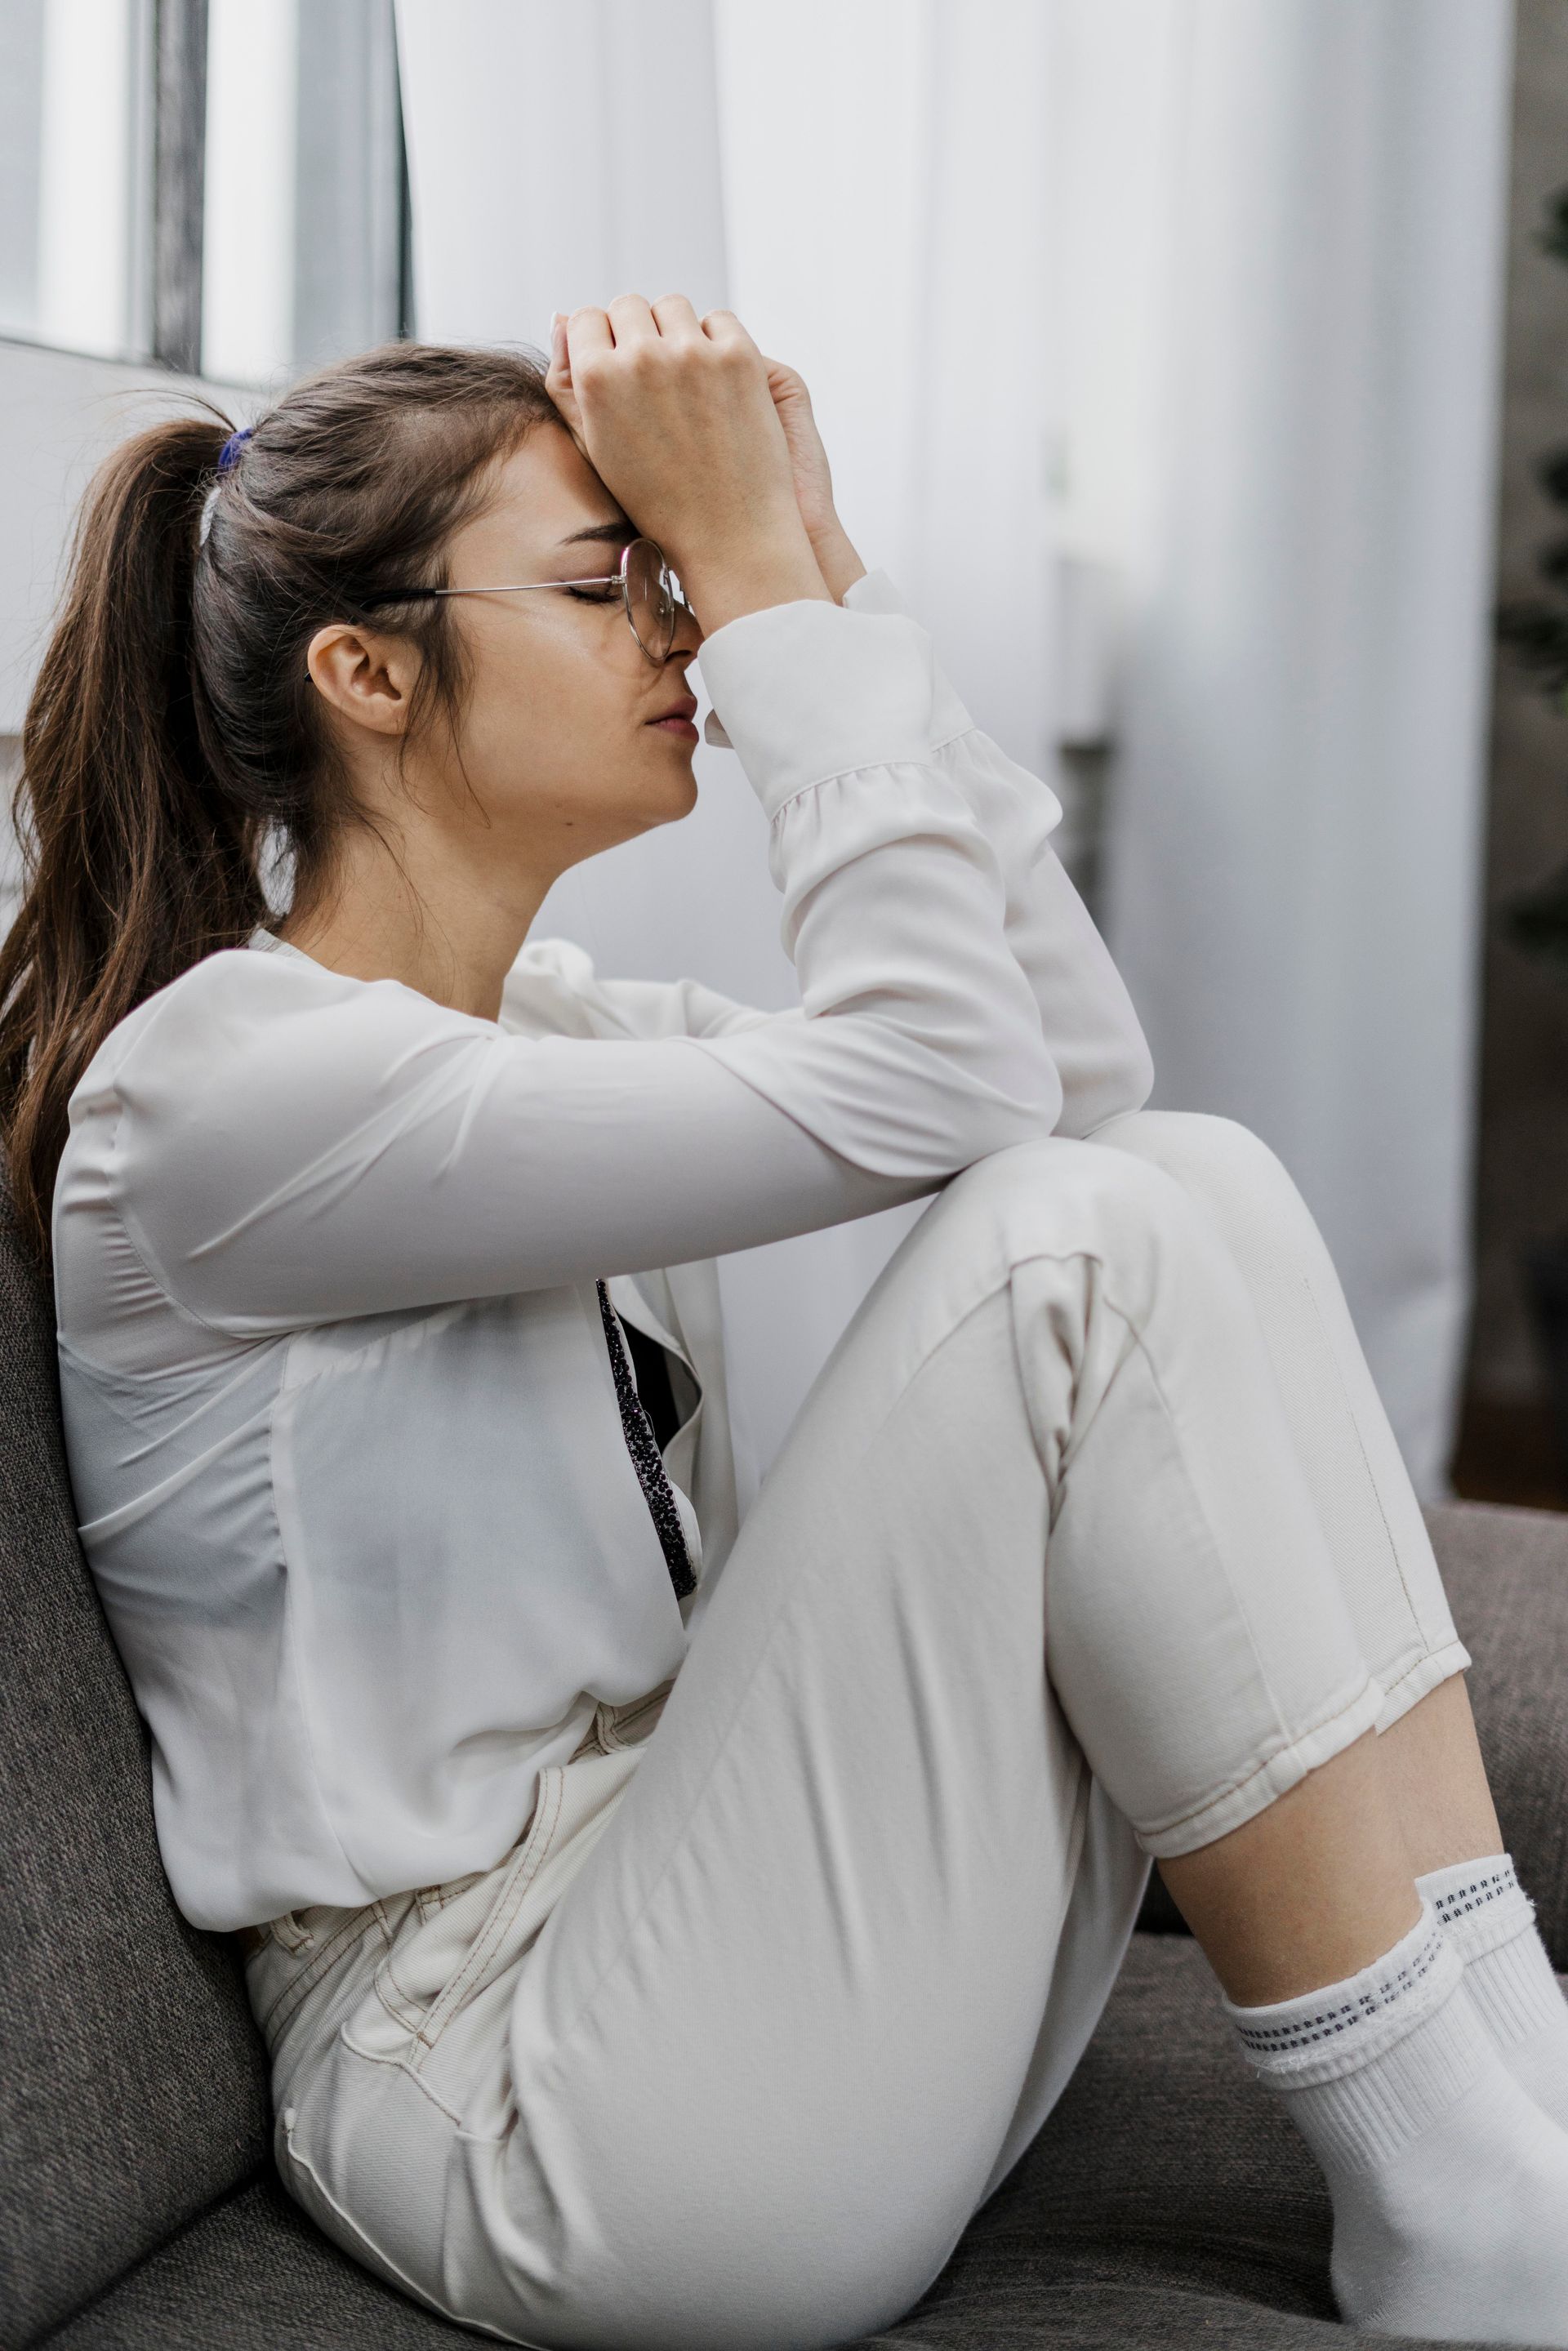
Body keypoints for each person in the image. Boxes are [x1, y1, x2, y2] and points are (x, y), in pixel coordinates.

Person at [3, 295, 1566, 2351]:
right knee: (1074, 1247)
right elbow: (954, 1099)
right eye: (608, 581)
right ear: (367, 671)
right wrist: (761, 589)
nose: (677, 635)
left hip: (709, 1964)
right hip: (516, 2101)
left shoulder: (551, 1037)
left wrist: (818, 561)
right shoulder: (223, 1097)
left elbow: (1067, 1072)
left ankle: (1506, 2124)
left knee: (1187, 1181)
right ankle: (1489, 2224)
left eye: (672, 580)